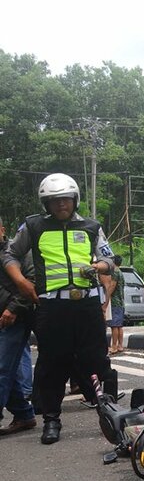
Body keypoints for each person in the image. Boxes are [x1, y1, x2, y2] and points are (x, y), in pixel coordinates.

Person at [2, 173, 118, 444]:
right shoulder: (33, 226)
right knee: (53, 363)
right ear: (46, 204)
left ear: (74, 199)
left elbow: (109, 259)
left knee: (97, 360)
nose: (60, 205)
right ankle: (51, 420)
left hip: (87, 305)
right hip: (52, 307)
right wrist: (20, 282)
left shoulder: (91, 226)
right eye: (53, 201)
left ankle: (111, 413)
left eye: (65, 199)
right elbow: (10, 254)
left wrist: (98, 266)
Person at [0, 216, 37, 436]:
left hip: (15, 318)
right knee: (7, 371)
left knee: (2, 369)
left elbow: (32, 280)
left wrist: (13, 309)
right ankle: (24, 414)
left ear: (2, 230)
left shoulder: (16, 251)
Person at [102, 255, 125, 354]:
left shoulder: (115, 272)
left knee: (114, 325)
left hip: (115, 301)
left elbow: (112, 286)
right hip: (121, 301)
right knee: (119, 325)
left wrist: (106, 298)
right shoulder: (121, 272)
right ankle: (120, 345)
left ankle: (114, 346)